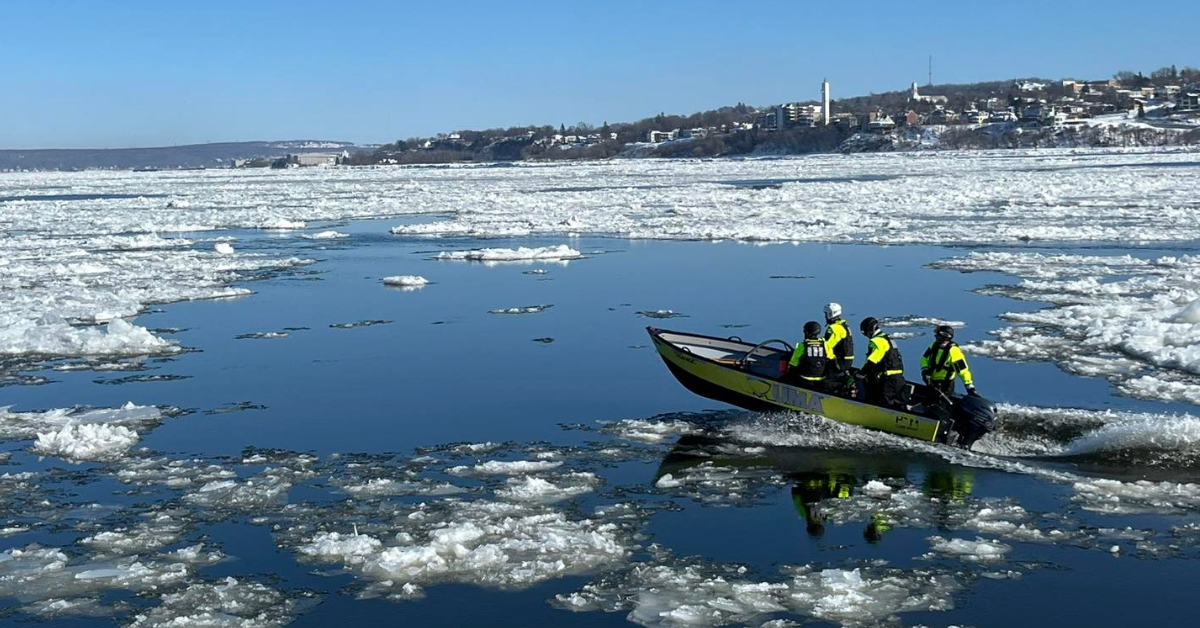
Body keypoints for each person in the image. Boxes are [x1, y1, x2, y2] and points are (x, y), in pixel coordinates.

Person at [857, 317, 907, 409]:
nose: (867, 336)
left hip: (889, 380)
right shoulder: (888, 338)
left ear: (870, 330)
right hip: (899, 378)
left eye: (865, 333)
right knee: (899, 403)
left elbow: (872, 362)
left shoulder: (877, 342)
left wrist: (861, 374)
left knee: (884, 404)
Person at [920, 325, 977, 397]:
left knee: (942, 405)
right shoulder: (934, 346)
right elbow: (924, 358)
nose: (935, 336)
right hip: (931, 382)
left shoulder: (953, 351)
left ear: (944, 336)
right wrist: (925, 371)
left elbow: (962, 370)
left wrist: (969, 385)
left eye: (938, 334)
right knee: (928, 402)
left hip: (946, 385)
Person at [787, 321, 829, 389]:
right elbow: (831, 357)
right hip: (821, 378)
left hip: (804, 378)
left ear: (806, 332)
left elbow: (793, 363)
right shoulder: (825, 344)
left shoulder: (802, 345)